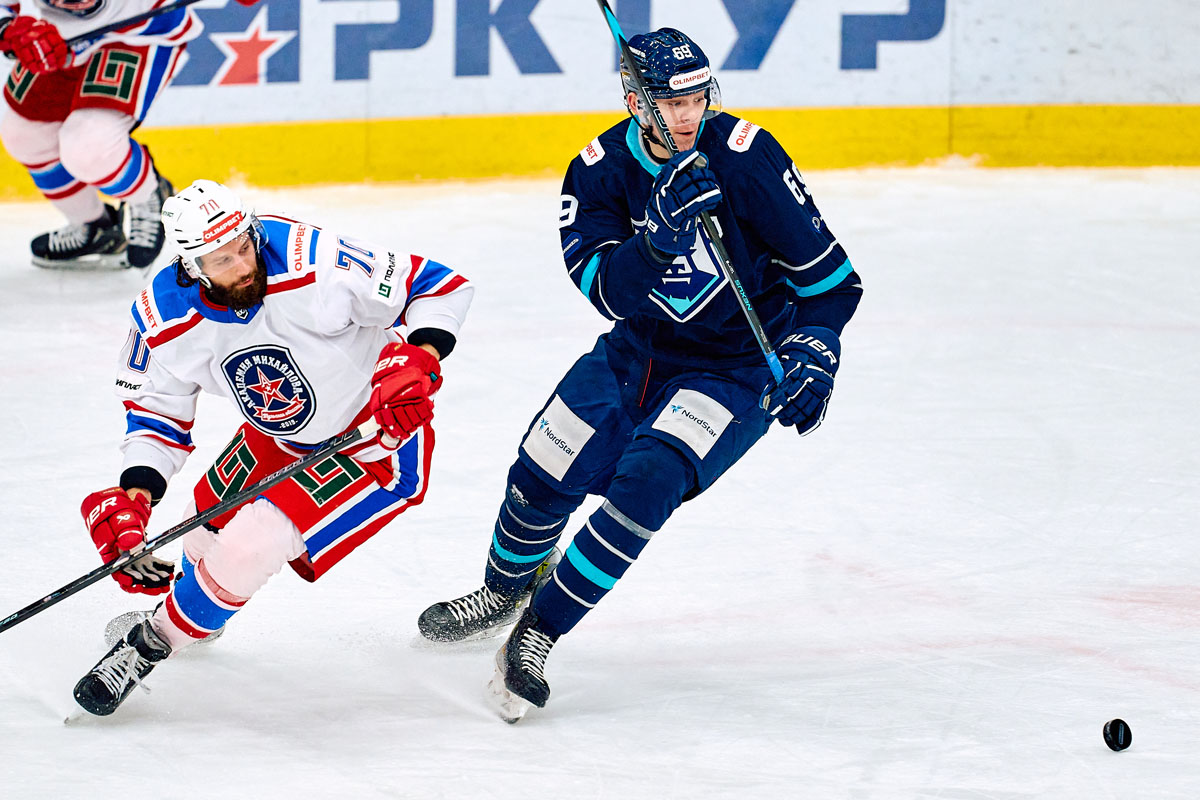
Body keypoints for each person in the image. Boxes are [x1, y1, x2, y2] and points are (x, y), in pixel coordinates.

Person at [417, 27, 864, 722]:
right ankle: (503, 592)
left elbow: (833, 284)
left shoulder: (747, 158)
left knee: (647, 485)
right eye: (670, 102)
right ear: (634, 101)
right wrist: (657, 241)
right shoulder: (597, 171)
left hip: (735, 369)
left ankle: (537, 632)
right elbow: (608, 294)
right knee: (541, 470)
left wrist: (816, 347)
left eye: (697, 98)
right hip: (637, 353)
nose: (688, 115)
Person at [72, 179, 474, 716]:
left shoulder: (314, 260)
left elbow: (438, 285)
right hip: (279, 435)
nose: (244, 265)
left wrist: (419, 359)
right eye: (223, 259)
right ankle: (195, 604)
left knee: (251, 544)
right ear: (191, 266)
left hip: (375, 439)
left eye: (244, 245)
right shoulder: (160, 317)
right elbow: (157, 413)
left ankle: (151, 644)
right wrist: (136, 495)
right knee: (199, 531)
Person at [0, 0, 238, 268]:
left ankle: (147, 194)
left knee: (90, 147)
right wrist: (8, 29)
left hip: (138, 32)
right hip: (56, 37)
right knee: (24, 136)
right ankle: (95, 228)